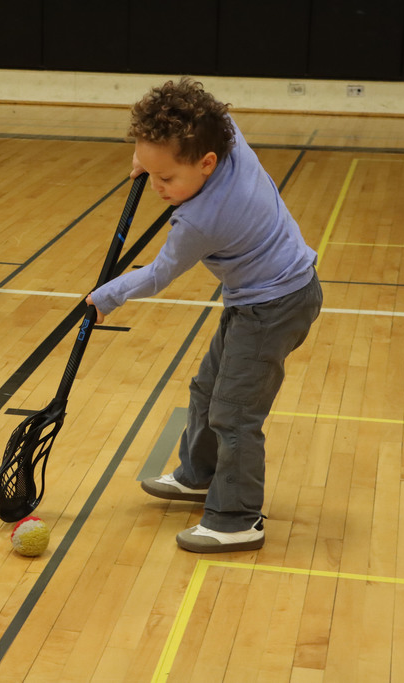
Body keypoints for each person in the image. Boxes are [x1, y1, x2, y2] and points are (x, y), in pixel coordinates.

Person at [87, 78, 322, 553]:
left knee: (234, 414)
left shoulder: (199, 221)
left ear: (206, 163)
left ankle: (236, 518)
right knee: (208, 389)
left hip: (274, 306)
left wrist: (104, 296)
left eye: (166, 178)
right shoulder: (225, 136)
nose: (157, 187)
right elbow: (206, 113)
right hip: (260, 296)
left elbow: (158, 274)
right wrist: (151, 157)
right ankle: (199, 475)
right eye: (151, 173)